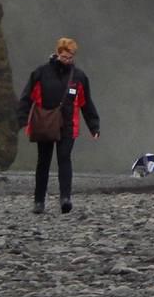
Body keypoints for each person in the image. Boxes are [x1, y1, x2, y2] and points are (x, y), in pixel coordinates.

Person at [16, 37, 99, 214]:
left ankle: (65, 199)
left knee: (64, 158)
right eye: (65, 57)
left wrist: (94, 126)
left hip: (68, 125)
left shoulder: (79, 77)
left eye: (71, 57)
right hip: (45, 124)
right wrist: (22, 120)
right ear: (58, 53)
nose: (68, 60)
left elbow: (86, 103)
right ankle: (39, 201)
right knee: (43, 162)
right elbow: (27, 97)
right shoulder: (41, 73)